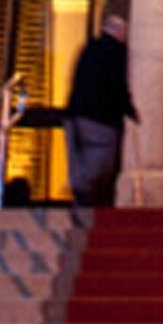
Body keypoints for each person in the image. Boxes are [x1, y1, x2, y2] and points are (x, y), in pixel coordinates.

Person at [63, 12, 137, 206]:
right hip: (101, 119)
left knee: (78, 158)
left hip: (75, 115)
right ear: (119, 32)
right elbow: (117, 83)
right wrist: (129, 109)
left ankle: (79, 193)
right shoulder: (117, 52)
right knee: (102, 162)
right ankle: (85, 193)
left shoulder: (88, 47)